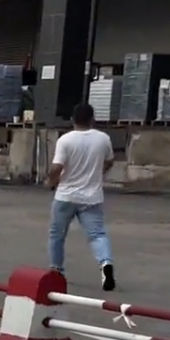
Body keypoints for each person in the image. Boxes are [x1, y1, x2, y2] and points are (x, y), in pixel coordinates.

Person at [46, 103, 117, 291]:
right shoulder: (103, 139)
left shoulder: (66, 140)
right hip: (92, 196)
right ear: (92, 119)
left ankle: (56, 270)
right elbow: (110, 161)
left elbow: (57, 167)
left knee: (57, 235)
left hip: (66, 196)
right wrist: (97, 174)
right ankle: (106, 263)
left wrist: (51, 182)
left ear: (73, 119)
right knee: (97, 234)